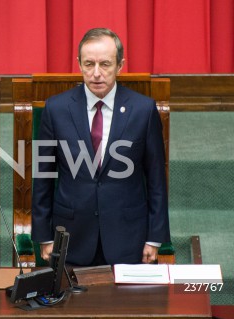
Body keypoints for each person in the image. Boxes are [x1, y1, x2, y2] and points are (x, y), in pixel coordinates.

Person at [32, 28, 170, 266]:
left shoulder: (143, 110)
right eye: (89, 64)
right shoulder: (55, 109)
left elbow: (156, 178)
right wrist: (44, 236)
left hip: (129, 239)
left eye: (105, 64)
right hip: (71, 238)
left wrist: (155, 238)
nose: (96, 73)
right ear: (78, 64)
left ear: (120, 65)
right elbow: (43, 176)